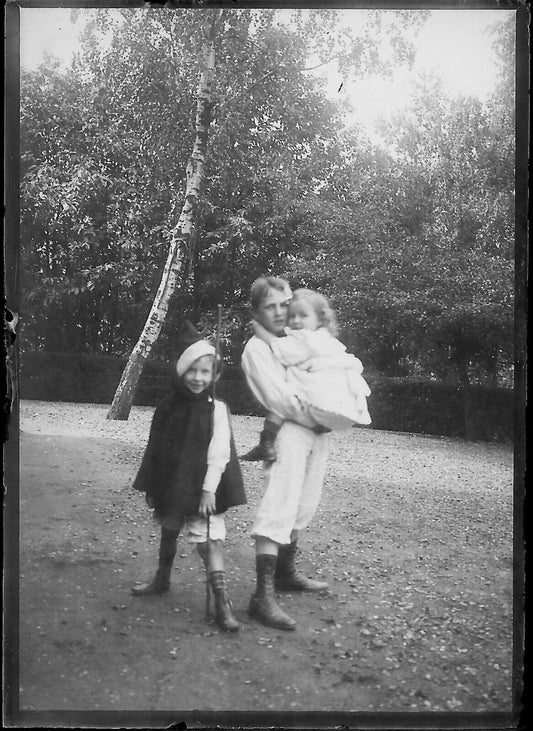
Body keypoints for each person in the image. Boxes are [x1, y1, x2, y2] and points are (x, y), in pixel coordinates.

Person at [131, 320, 246, 634]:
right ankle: (162, 578)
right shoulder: (167, 407)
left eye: (205, 372)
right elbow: (155, 450)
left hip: (202, 487)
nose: (198, 378)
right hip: (172, 486)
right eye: (192, 371)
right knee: (169, 525)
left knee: (208, 543)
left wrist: (210, 489)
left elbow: (220, 452)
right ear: (180, 371)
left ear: (214, 375)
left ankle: (222, 601)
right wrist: (152, 486)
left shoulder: (216, 409)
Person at [240, 276, 332, 631]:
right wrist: (322, 413)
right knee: (280, 505)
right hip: (292, 433)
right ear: (257, 311)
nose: (280, 312)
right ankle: (261, 596)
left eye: (284, 303)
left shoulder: (298, 340)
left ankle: (285, 574)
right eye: (271, 306)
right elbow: (281, 400)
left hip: (316, 433)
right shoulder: (257, 349)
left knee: (304, 505)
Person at [241, 288, 371, 462]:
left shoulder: (306, 339)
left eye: (303, 316)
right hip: (332, 390)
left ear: (320, 319)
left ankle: (266, 443)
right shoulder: (326, 339)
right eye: (292, 316)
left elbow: (280, 348)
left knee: (283, 401)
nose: (296, 321)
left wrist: (260, 331)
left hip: (318, 387)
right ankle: (316, 427)